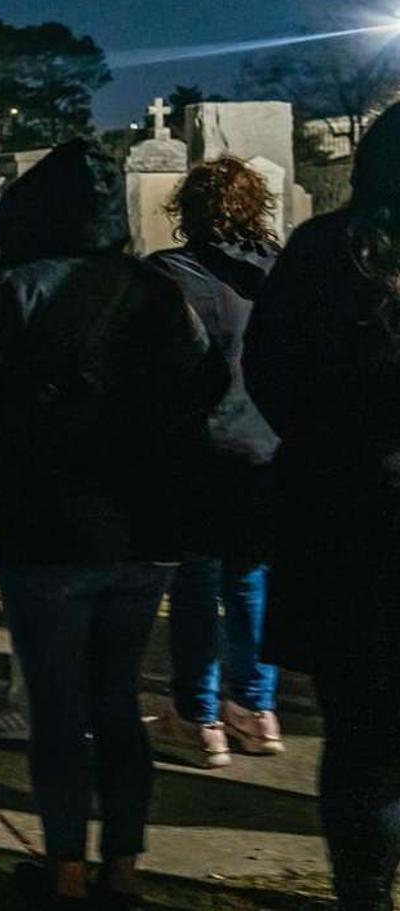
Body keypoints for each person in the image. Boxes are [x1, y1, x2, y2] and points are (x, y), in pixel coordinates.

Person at [0, 138, 217, 910]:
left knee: (57, 707)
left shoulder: (14, 293)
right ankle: (122, 868)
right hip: (141, 533)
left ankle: (63, 869)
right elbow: (202, 393)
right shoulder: (156, 293)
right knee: (118, 702)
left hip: (45, 534)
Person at [244, 107, 400, 911]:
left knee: (363, 739)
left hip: (349, 524)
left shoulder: (322, 253)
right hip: (356, 520)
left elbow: (268, 368)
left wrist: (330, 442)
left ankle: (364, 893)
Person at [142, 157, 284, 770]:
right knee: (250, 579)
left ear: (187, 211)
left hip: (195, 449)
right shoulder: (277, 273)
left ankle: (198, 719)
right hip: (263, 446)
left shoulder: (167, 274)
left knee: (196, 583)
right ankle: (256, 710)